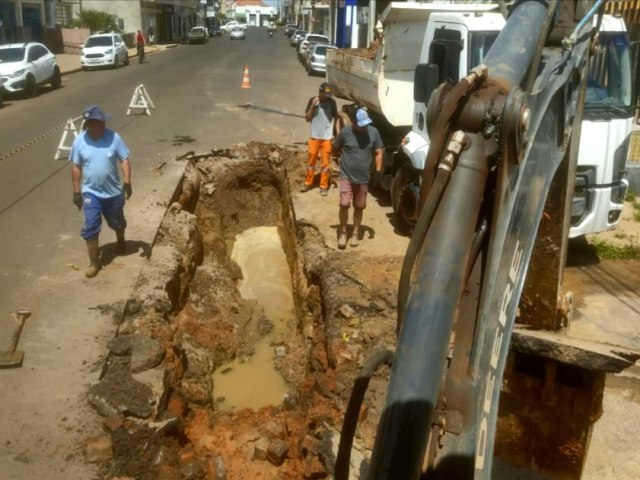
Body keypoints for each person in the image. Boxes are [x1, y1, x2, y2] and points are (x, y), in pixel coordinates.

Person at [70, 105, 132, 278]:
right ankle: (94, 263)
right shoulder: (79, 141)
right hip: (91, 192)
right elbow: (76, 167)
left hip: (113, 192)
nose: (103, 125)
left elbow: (125, 160)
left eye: (103, 122)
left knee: (117, 222)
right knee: (91, 226)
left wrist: (127, 182)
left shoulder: (114, 137)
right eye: (99, 122)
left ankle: (120, 239)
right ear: (89, 124)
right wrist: (76, 191)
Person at [332, 108, 383, 249]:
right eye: (361, 124)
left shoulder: (373, 132)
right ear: (354, 123)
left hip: (363, 178)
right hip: (346, 175)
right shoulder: (345, 132)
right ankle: (343, 232)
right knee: (344, 204)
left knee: (359, 207)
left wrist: (378, 171)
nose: (364, 127)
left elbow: (378, 152)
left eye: (366, 124)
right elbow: (335, 148)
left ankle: (355, 233)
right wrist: (339, 161)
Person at [301, 82, 340, 196]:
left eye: (328, 94)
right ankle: (308, 182)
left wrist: (338, 134)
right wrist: (313, 106)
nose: (326, 97)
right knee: (311, 161)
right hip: (314, 137)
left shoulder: (332, 102)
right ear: (320, 92)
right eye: (324, 94)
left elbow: (336, 118)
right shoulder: (313, 100)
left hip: (327, 138)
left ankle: (323, 186)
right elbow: (307, 118)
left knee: (325, 164)